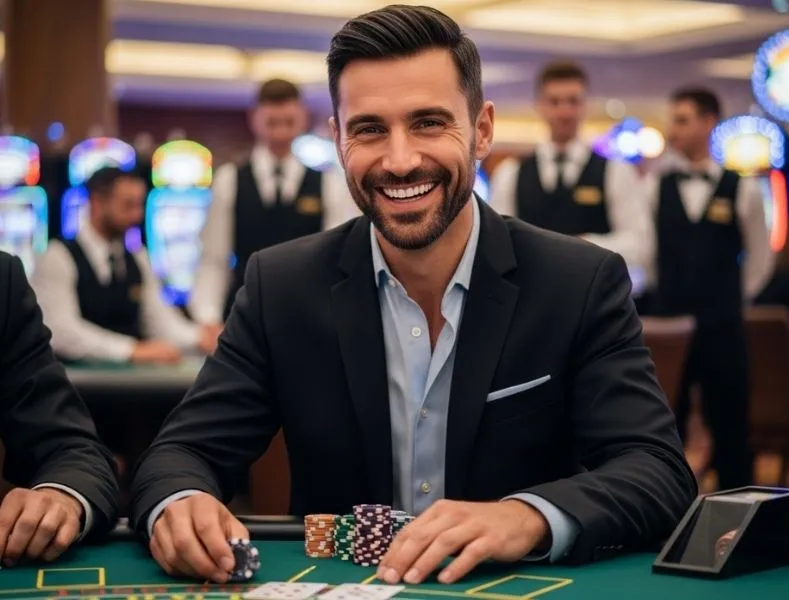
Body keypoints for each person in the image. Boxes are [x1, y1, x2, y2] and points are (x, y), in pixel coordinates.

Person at [130, 4, 696, 586]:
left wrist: (525, 517)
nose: (400, 161)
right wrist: (179, 500)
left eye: (429, 123)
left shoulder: (578, 281)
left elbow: (656, 472)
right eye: (370, 129)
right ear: (337, 139)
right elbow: (179, 455)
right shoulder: (281, 286)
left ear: (481, 130)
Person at [642, 87, 774, 490]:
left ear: (708, 122)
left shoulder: (743, 187)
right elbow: (647, 255)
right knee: (665, 426)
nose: (674, 129)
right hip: (669, 326)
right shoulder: (655, 186)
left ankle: (745, 517)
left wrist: (735, 298)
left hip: (723, 325)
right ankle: (666, 514)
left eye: (682, 119)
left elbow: (761, 255)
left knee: (731, 422)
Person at [189, 78, 359, 338]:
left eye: (288, 122)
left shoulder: (327, 183)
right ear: (254, 119)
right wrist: (208, 318)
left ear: (302, 119)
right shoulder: (229, 180)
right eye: (271, 123)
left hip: (307, 316)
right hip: (242, 313)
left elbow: (334, 261)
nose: (280, 132)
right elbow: (214, 259)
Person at [490, 60, 652, 293]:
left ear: (586, 106)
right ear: (540, 106)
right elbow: (499, 243)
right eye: (555, 102)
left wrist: (584, 245)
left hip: (596, 299)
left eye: (573, 101)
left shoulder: (615, 171)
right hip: (530, 298)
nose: (564, 111)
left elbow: (640, 245)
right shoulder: (511, 173)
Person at [0, 250, 118, 564]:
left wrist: (60, 497)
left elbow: (69, 448)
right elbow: (68, 333)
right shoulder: (58, 257)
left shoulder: (2, 280)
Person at [31, 167, 215, 365]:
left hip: (127, 385)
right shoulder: (57, 257)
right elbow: (61, 332)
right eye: (127, 205)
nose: (137, 216)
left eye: (139, 205)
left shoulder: (139, 257)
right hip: (74, 384)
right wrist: (131, 350)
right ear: (97, 203)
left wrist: (201, 338)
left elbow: (160, 322)